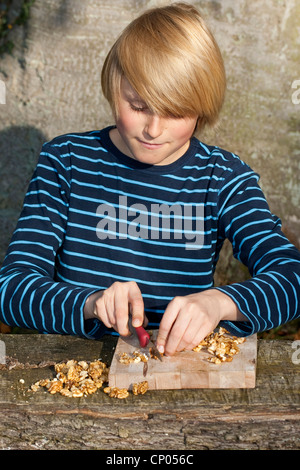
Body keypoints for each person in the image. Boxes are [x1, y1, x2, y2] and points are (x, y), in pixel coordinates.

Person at [0, 3, 299, 356]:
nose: (154, 130)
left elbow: (291, 279)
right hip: (71, 366)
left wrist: (219, 303)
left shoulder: (224, 178)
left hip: (178, 372)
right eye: (138, 106)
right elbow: (11, 288)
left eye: (175, 111)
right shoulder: (66, 161)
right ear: (114, 88)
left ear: (203, 106)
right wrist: (92, 303)